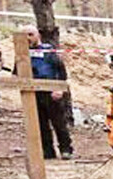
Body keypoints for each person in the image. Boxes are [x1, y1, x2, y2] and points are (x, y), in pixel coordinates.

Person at [19, 26, 73, 160]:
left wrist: (59, 88)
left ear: (38, 35)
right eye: (25, 35)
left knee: (59, 123)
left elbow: (61, 71)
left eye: (31, 35)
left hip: (51, 92)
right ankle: (48, 151)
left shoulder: (48, 50)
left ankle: (66, 149)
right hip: (33, 93)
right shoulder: (22, 53)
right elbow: (17, 73)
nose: (28, 38)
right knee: (41, 124)